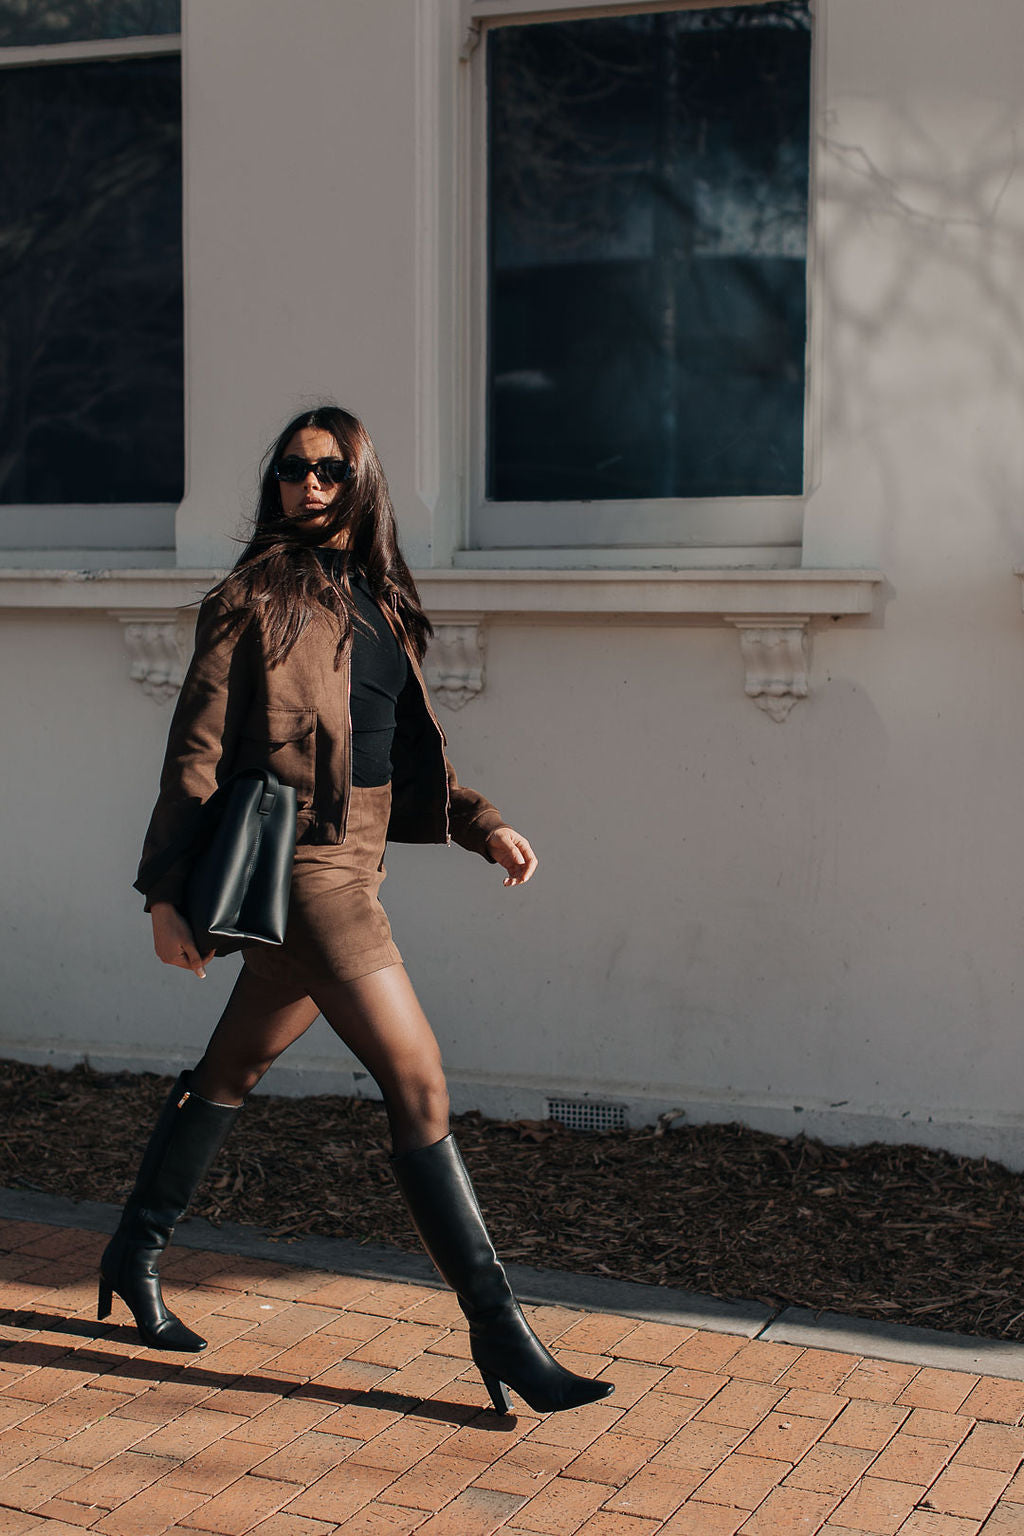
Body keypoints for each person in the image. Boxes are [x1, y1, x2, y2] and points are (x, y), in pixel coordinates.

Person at [99, 405, 613, 1417]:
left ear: (360, 481)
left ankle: (133, 1253)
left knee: (232, 1070)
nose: (309, 484)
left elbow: (395, 752)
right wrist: (162, 893)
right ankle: (500, 1333)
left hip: (356, 864)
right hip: (304, 871)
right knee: (419, 1082)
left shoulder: (380, 600)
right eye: (293, 469)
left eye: (330, 469)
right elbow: (195, 752)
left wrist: (481, 823)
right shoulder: (251, 600)